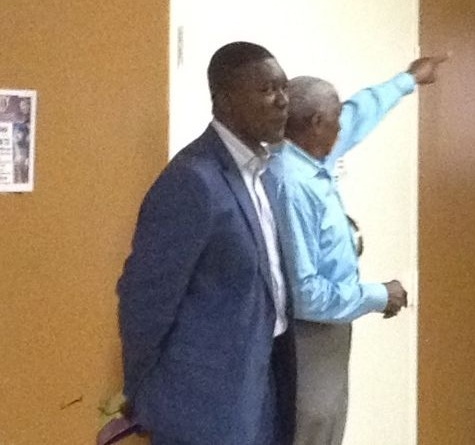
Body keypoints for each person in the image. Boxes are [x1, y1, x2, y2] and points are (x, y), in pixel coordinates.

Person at [117, 41, 296, 445]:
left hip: (261, 387)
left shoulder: (263, 173)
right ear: (225, 100)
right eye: (267, 89)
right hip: (201, 405)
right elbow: (143, 298)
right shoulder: (192, 180)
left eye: (284, 88)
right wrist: (143, 391)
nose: (283, 101)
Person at [268, 54, 448, 445]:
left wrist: (408, 79)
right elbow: (305, 295)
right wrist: (379, 295)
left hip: (331, 328)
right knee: (311, 430)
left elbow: (358, 113)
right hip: (307, 336)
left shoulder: (312, 152)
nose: (342, 126)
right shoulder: (292, 184)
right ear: (316, 123)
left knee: (328, 429)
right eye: (335, 118)